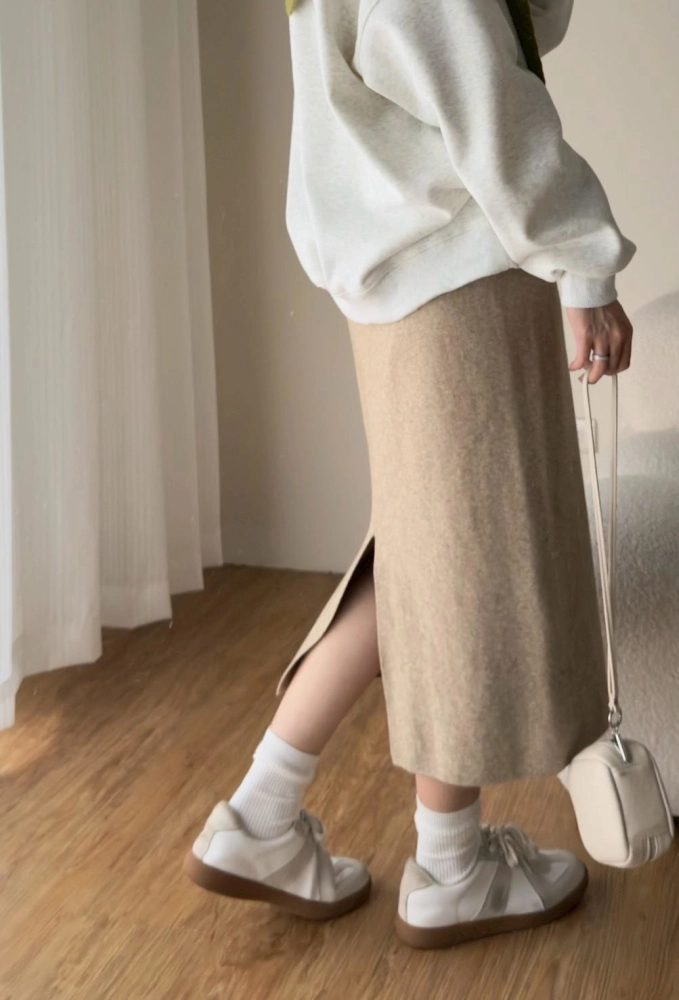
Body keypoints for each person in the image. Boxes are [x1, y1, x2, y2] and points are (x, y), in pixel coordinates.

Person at [184, 0, 636, 949]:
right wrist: (583, 258)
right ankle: (452, 866)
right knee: (459, 561)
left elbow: (495, 34)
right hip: (458, 270)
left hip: (398, 270)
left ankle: (264, 812)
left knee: (423, 553)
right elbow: (483, 86)